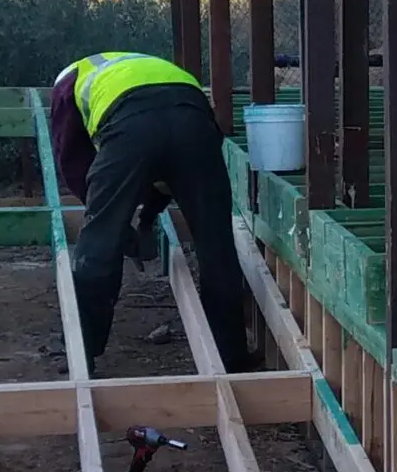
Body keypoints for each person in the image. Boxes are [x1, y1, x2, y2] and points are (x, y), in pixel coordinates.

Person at [50, 52, 256, 376]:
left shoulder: (68, 84)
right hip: (194, 120)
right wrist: (141, 218)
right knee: (216, 242)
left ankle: (82, 352)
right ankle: (231, 356)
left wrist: (113, 221)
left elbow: (74, 164)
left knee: (98, 247)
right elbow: (170, 159)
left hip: (130, 124)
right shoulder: (147, 67)